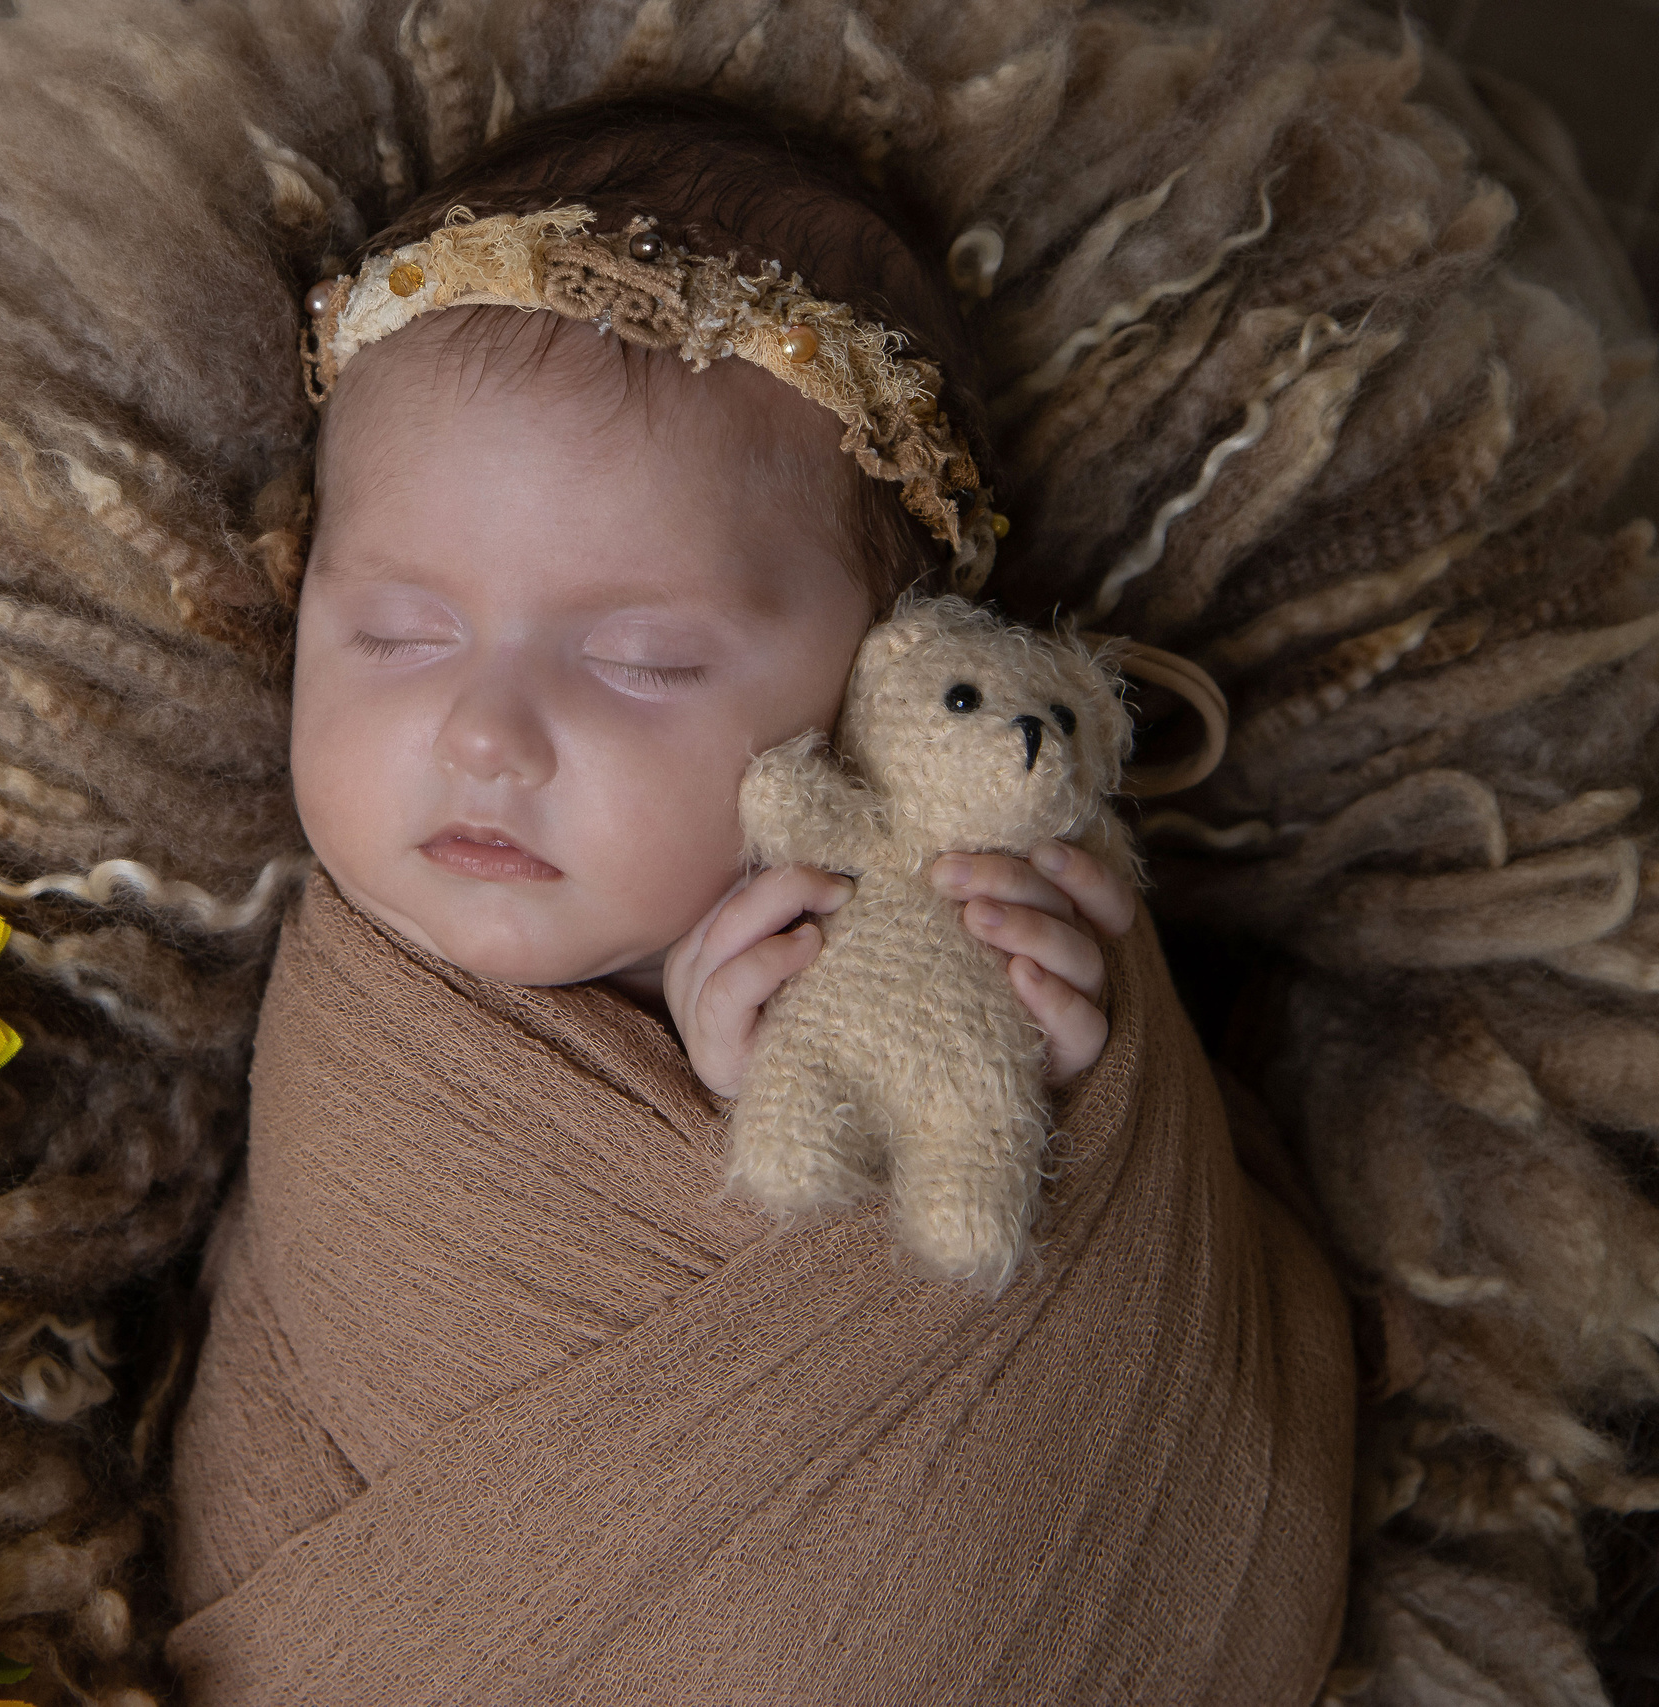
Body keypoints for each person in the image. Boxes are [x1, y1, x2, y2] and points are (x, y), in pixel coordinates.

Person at [166, 92, 1353, 1705]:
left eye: (640, 660)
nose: (486, 733)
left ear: (881, 669)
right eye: (396, 633)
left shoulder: (968, 886)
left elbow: (1074, 1303)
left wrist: (1029, 1064)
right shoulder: (371, 1026)